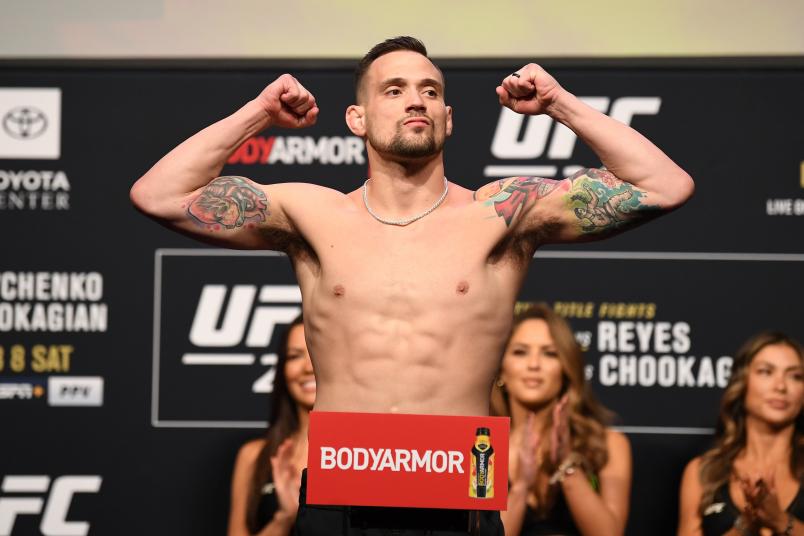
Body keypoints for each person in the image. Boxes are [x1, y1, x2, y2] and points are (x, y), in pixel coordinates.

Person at [131, 36, 693, 534]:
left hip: (459, 503)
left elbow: (665, 186)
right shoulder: (311, 215)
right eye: (394, 89)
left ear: (448, 117)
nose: (416, 100)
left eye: (429, 90)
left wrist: (559, 105)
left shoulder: (501, 214)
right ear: (357, 117)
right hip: (341, 501)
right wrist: (258, 113)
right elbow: (158, 196)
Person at [492, 303, 631, 535]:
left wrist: (568, 467)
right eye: (520, 352)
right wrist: (521, 488)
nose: (534, 365)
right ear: (501, 369)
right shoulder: (482, 446)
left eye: (550, 353)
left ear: (566, 369)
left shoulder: (607, 444)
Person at [678, 331, 804, 535]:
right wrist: (747, 523)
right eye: (766, 372)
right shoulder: (705, 472)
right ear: (742, 382)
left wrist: (780, 521)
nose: (781, 386)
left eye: (795, 376)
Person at [227, 314, 313, 536]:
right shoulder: (253, 456)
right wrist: (284, 518)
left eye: (317, 354)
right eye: (294, 356)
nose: (308, 367)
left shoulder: (359, 456)